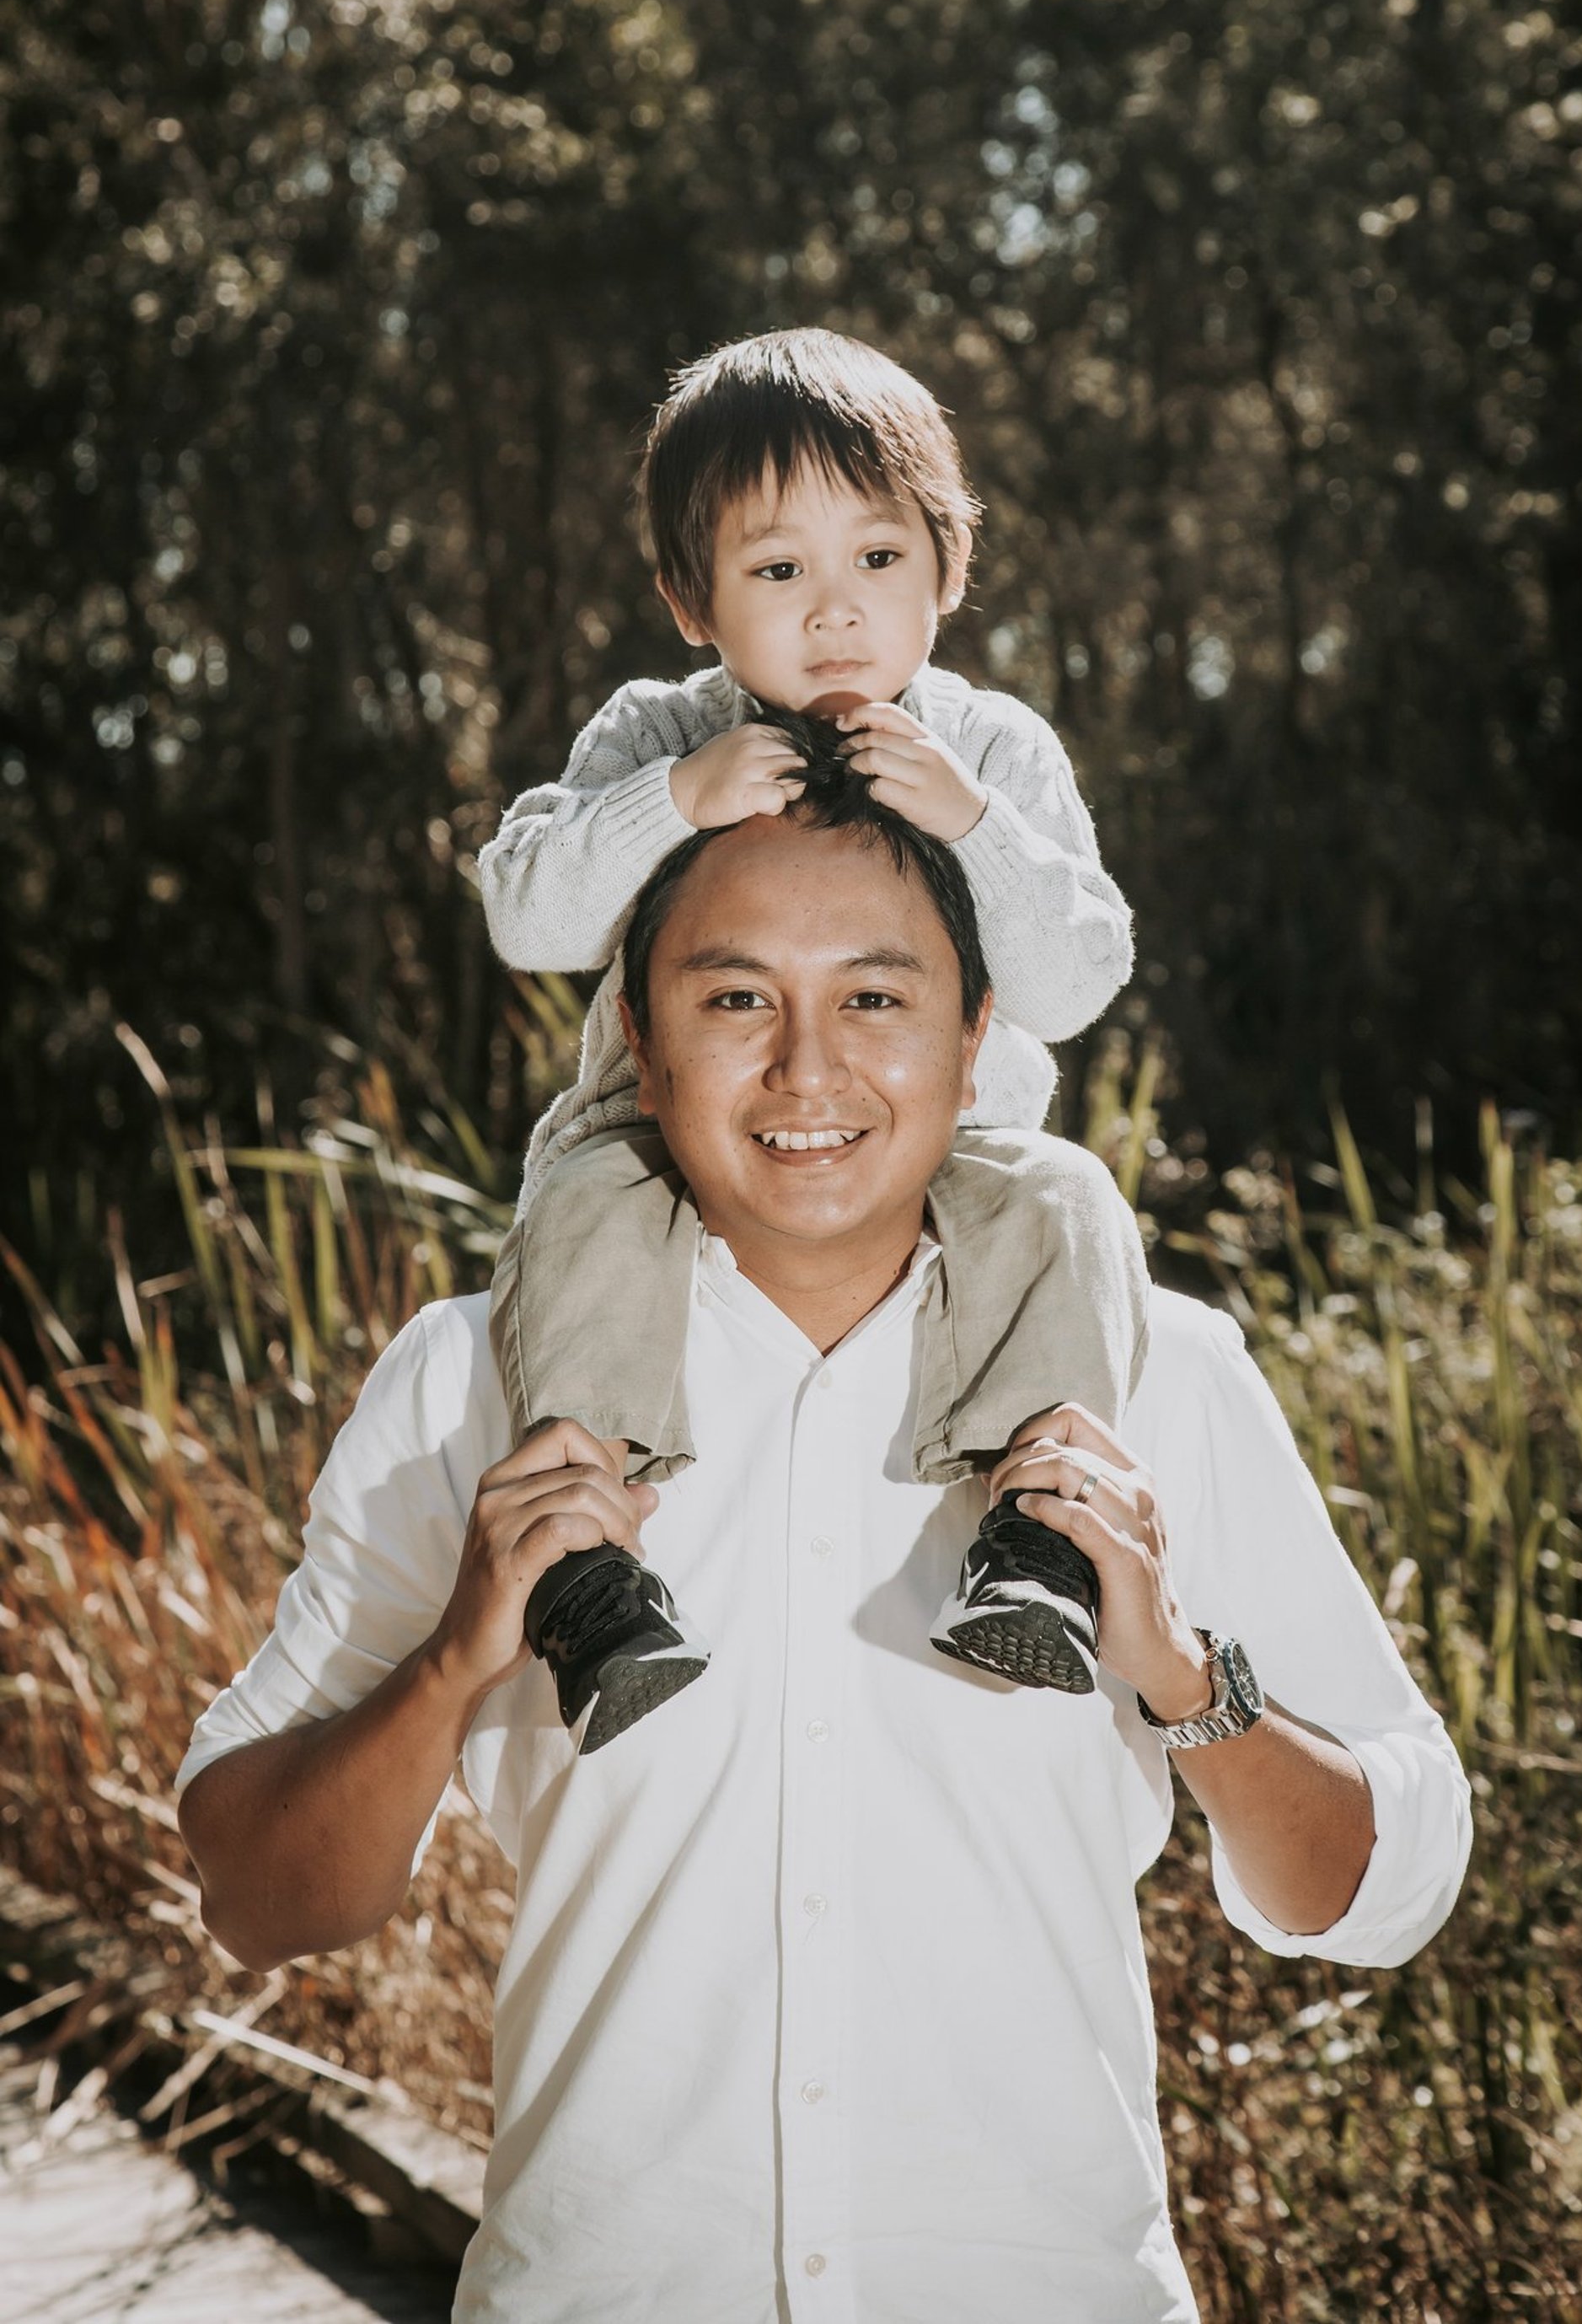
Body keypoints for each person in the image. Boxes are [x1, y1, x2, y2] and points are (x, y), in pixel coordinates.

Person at [176, 766, 1472, 2324]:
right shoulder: (471, 1383)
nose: (807, 1068)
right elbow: (255, 1898)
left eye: (876, 996)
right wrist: (459, 1659)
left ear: (975, 1036)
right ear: (639, 1050)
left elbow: (1390, 1886)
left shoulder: (1157, 1376)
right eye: (735, 999)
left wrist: (1183, 1673)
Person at [477, 325, 1149, 1747]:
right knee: (585, 1202)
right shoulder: (658, 728)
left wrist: (972, 821)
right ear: (691, 598)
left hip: (945, 1146)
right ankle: (593, 1574)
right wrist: (672, 798)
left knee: (1068, 1202)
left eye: (878, 561)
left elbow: (1078, 977)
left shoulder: (996, 750)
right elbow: (529, 915)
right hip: (675, 1143)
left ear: (947, 567)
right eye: (780, 571)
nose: (835, 613)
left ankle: (1040, 1542)